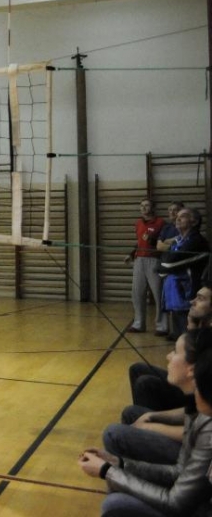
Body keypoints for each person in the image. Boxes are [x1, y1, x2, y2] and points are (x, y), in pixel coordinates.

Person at [79, 328, 212, 517]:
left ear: (193, 372)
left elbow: (175, 503)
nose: (168, 356)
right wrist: (118, 463)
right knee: (118, 496)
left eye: (175, 352)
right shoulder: (200, 411)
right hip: (193, 500)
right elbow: (178, 472)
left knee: (116, 504)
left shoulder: (208, 426)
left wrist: (107, 471)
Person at [104, 284, 212, 467]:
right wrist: (153, 417)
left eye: (201, 299)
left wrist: (153, 427)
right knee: (132, 406)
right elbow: (193, 415)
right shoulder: (202, 328)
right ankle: (135, 457)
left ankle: (138, 460)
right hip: (194, 416)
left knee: (144, 386)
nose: (192, 301)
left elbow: (199, 430)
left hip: (194, 453)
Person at [160, 207, 210, 340]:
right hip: (175, 291)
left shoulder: (196, 241)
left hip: (187, 292)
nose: (178, 218)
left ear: (194, 222)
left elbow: (168, 263)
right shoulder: (179, 240)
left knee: (187, 335)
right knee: (177, 330)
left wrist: (164, 263)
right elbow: (164, 262)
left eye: (183, 216)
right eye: (177, 216)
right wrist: (164, 263)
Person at [123, 199, 166, 334]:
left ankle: (161, 326)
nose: (143, 208)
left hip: (154, 260)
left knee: (158, 293)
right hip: (139, 260)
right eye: (141, 206)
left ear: (153, 207)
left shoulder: (161, 223)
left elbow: (164, 243)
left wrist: (151, 240)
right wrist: (131, 254)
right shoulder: (138, 223)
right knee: (137, 293)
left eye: (147, 205)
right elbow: (139, 242)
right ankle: (138, 324)